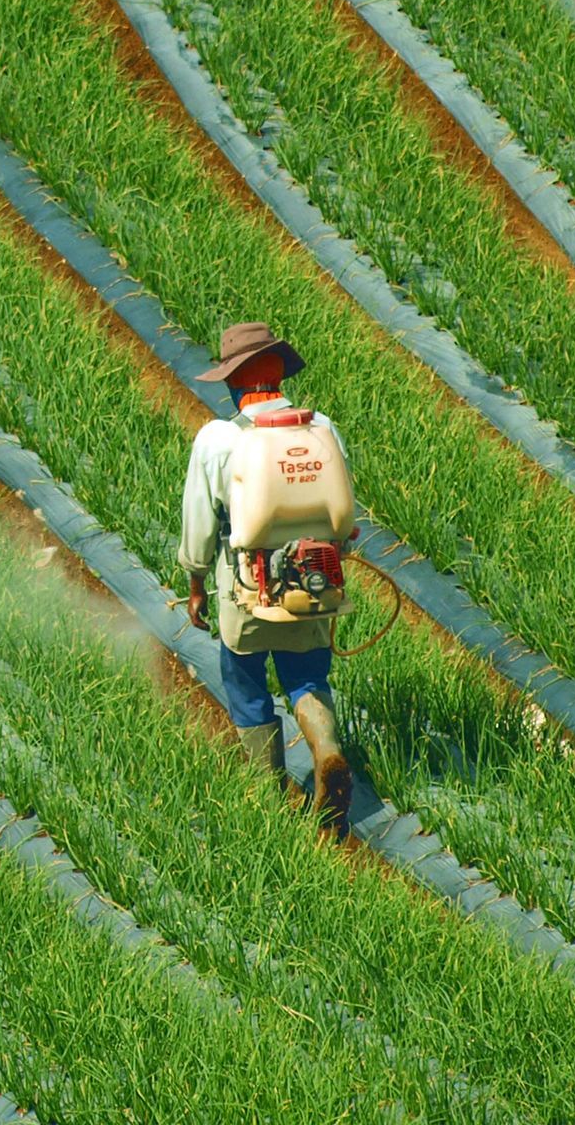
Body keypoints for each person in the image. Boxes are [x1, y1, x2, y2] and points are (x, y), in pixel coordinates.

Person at [179, 322, 351, 832]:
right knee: (307, 677)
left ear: (234, 383)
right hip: (315, 582)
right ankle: (326, 748)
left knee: (246, 680)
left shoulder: (219, 439)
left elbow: (200, 522)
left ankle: (269, 801)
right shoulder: (320, 427)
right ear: (278, 375)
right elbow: (343, 514)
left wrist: (194, 583)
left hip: (248, 588)